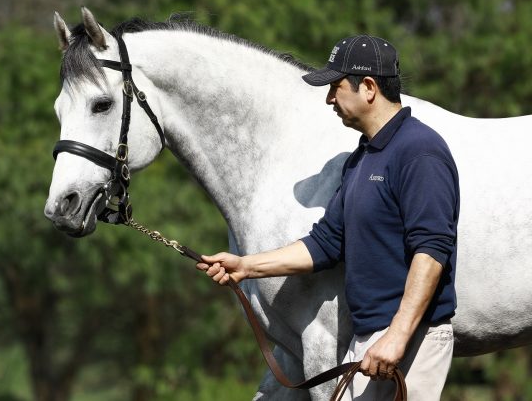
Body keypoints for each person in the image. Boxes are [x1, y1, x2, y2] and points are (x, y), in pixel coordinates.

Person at [197, 35, 459, 400]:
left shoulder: (420, 151)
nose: (329, 99)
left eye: (336, 87)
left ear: (368, 87)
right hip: (371, 337)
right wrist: (246, 266)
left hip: (412, 337)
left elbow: (431, 251)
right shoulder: (362, 158)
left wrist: (397, 336)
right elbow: (325, 243)